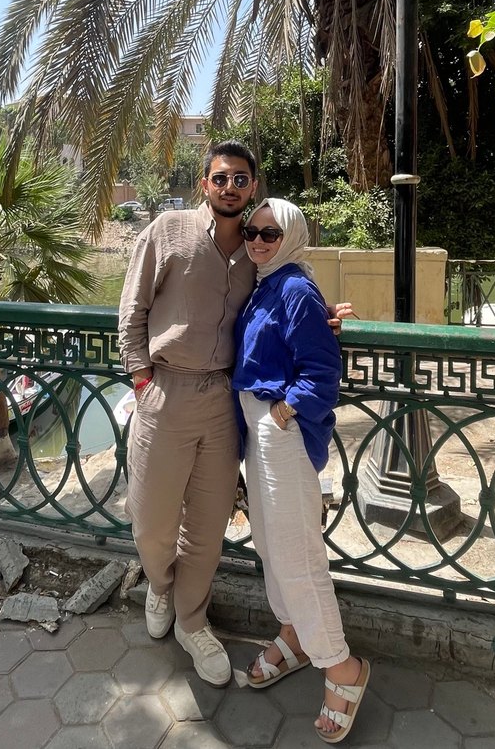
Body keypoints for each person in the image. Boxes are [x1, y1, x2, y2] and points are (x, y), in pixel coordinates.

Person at [118, 141, 353, 688]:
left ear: (253, 187)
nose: (230, 188)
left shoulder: (258, 254)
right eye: (220, 178)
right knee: (152, 522)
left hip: (226, 402)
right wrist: (142, 379)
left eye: (241, 179)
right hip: (166, 392)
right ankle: (160, 586)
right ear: (205, 182)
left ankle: (192, 621)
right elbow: (132, 310)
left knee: (207, 527)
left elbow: (286, 293)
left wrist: (324, 314)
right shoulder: (168, 230)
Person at [232, 198, 370, 744]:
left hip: (279, 430)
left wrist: (286, 411)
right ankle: (292, 634)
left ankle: (341, 666)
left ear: (289, 237)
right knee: (270, 542)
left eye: (270, 234)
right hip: (257, 429)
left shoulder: (293, 287)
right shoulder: (269, 283)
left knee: (296, 553)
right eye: (252, 231)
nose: (257, 241)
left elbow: (321, 371)